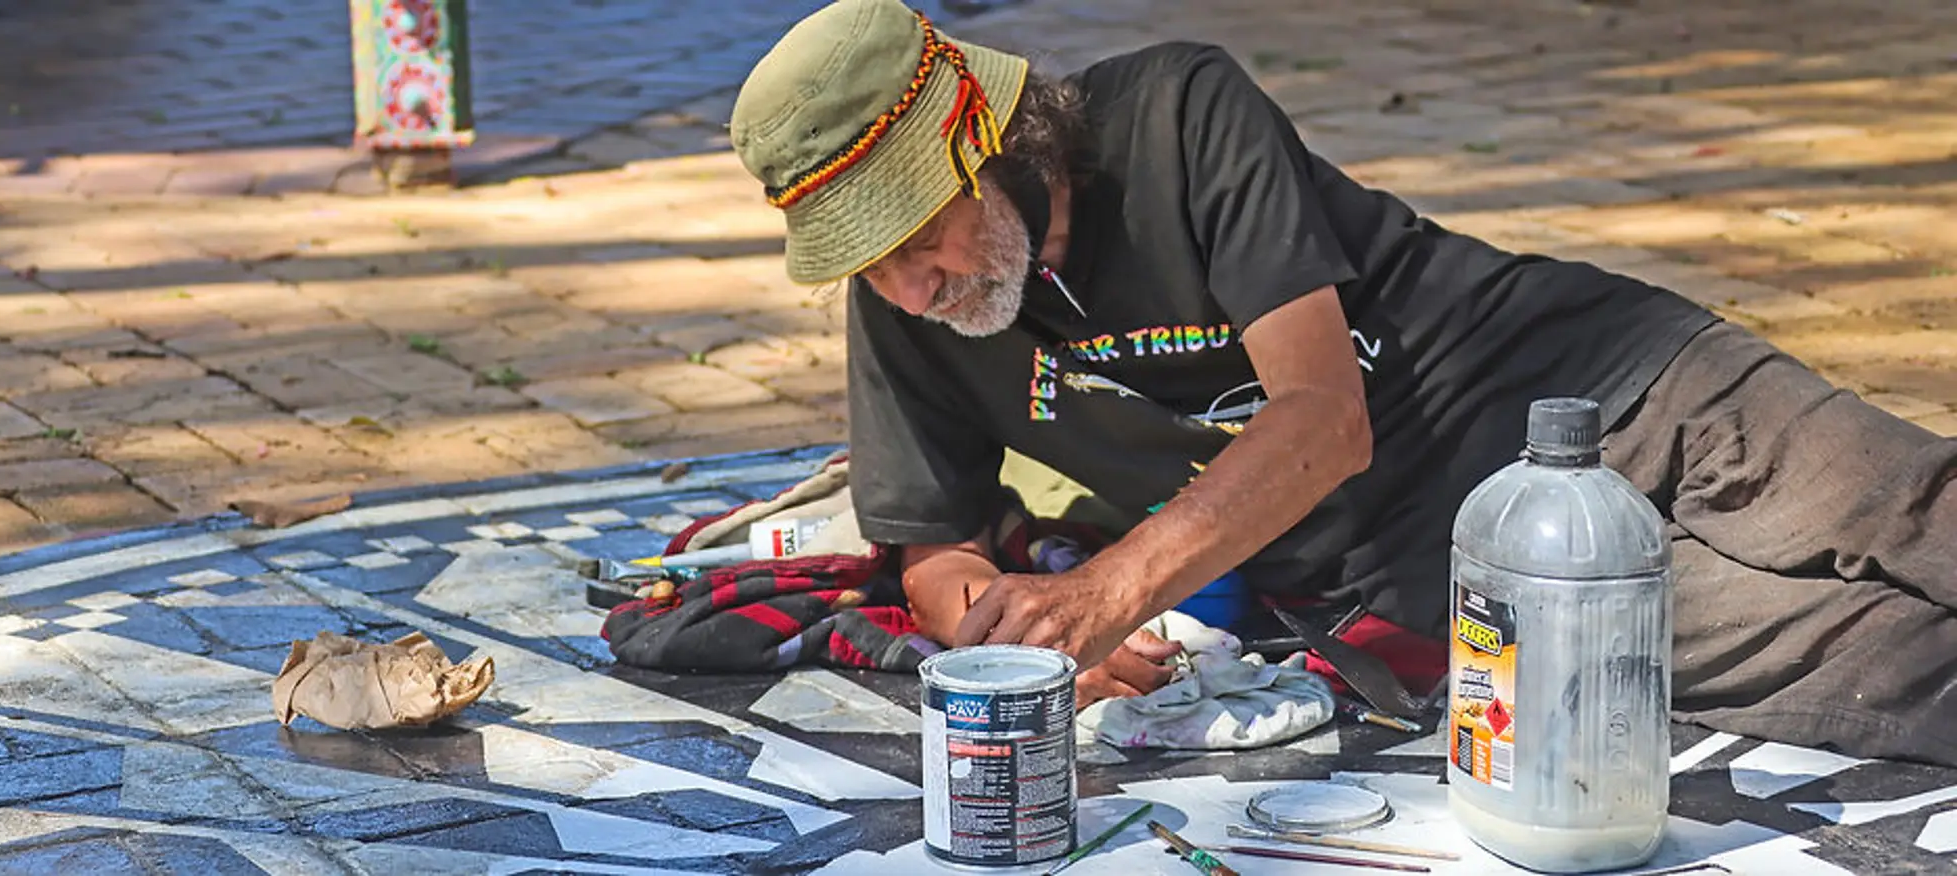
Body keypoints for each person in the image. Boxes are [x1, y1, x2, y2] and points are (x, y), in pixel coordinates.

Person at [727, 0, 1956, 765]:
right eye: (862, 262)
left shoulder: (1175, 114)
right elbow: (929, 546)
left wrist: (1107, 587)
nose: (906, 285)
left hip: (1610, 380)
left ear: (980, 138)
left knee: (1902, 507)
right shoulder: (907, 312)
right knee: (1886, 670)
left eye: (910, 234)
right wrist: (1010, 638)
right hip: (1446, 572)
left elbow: (1319, 422)